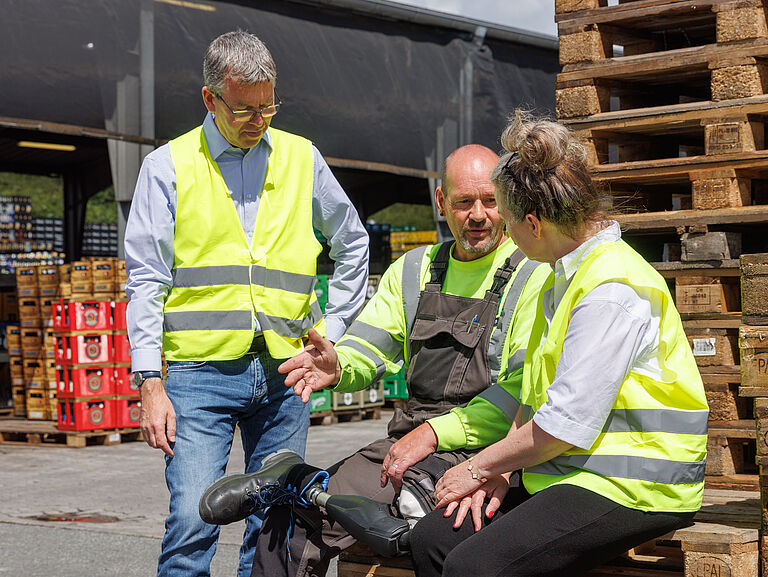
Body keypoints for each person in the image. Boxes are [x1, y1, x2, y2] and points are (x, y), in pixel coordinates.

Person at [208, 143, 551, 577]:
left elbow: (524, 392)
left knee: (417, 517)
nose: (479, 215)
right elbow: (368, 346)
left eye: (490, 201)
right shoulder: (414, 269)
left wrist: (433, 434)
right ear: (442, 202)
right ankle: (292, 484)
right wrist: (337, 367)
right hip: (404, 447)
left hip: (487, 456)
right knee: (292, 517)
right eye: (464, 202)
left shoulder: (533, 274)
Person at [408, 112, 709, 577]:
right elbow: (534, 399)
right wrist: (503, 472)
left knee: (476, 567)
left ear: (534, 222)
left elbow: (565, 425)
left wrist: (476, 468)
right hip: (572, 473)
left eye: (506, 219)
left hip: (636, 486)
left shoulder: (610, 288)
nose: (503, 231)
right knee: (433, 539)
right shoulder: (560, 278)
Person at [123, 31, 369, 577]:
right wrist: (149, 382)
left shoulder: (302, 158)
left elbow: (353, 240)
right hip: (197, 376)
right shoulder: (167, 167)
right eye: (244, 110)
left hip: (285, 372)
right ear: (210, 99)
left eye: (268, 106)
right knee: (192, 519)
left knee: (275, 524)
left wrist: (335, 329)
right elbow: (145, 280)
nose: (260, 120)